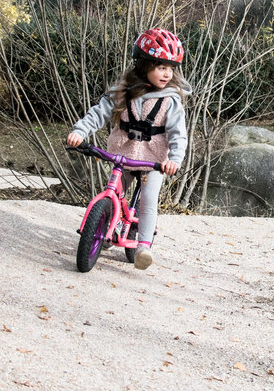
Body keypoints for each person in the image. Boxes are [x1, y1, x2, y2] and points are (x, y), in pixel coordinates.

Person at [66, 28, 189, 270]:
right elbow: (98, 113)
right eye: (160, 67)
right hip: (123, 155)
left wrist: (174, 158)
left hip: (153, 161)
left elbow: (178, 134)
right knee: (113, 193)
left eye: (170, 68)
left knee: (148, 200)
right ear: (144, 65)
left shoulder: (170, 100)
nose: (167, 74)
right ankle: (105, 227)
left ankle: (143, 246)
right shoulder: (123, 92)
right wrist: (79, 132)